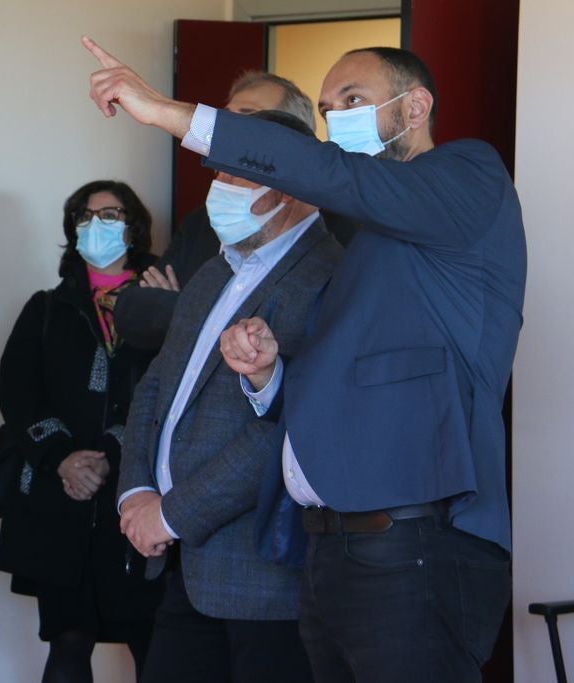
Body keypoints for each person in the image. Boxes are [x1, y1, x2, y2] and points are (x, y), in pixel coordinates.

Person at [84, 37, 525, 681]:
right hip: (331, 553)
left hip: (416, 539)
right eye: (326, 108)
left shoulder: (469, 175)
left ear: (415, 107)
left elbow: (336, 174)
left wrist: (173, 114)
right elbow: (326, 394)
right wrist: (267, 375)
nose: (336, 118)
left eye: (354, 100)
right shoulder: (369, 248)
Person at [115, 110, 341, 682]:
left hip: (265, 581)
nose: (221, 190)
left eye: (238, 176)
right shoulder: (216, 271)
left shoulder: (329, 276)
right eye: (219, 175)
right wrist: (137, 492)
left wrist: (171, 513)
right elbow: (156, 388)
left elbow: (288, 430)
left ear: (289, 185)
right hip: (182, 567)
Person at [0, 180, 163, 683]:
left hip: (138, 498)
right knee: (68, 641)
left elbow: (168, 392)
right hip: (59, 504)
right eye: (84, 217)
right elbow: (17, 395)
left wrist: (109, 452)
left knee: (152, 641)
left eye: (110, 215)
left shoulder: (165, 301)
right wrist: (64, 458)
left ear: (133, 227)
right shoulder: (47, 307)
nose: (96, 226)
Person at [114, 72, 357, 350]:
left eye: (248, 118)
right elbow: (131, 312)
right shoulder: (203, 220)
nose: (227, 131)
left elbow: (297, 338)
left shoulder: (336, 229)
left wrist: (184, 308)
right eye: (226, 118)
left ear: (291, 136)